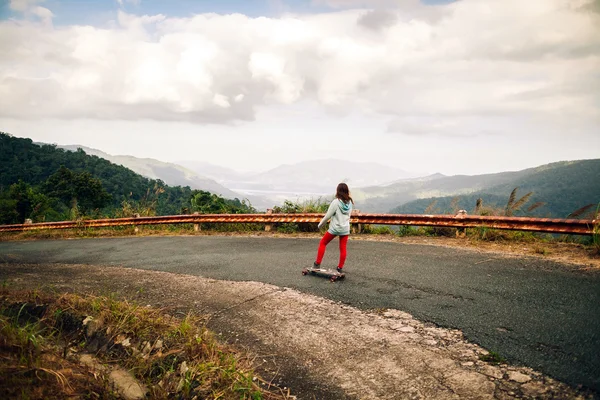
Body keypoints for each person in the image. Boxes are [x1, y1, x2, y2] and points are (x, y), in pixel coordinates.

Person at [314, 182, 354, 273]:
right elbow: (349, 216)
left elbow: (328, 216)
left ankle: (317, 264)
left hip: (335, 228)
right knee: (343, 248)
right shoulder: (350, 202)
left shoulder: (336, 202)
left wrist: (320, 225)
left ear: (338, 191)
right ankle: (340, 268)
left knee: (323, 243)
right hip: (345, 229)